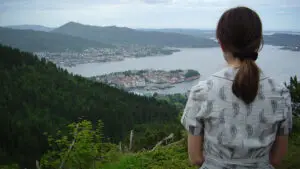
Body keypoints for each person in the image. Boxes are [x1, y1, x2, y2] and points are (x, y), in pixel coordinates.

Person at [181, 6, 293, 169]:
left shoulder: (202, 92)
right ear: (258, 44)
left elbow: (196, 158)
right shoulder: (280, 93)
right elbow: (276, 159)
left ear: (221, 43)